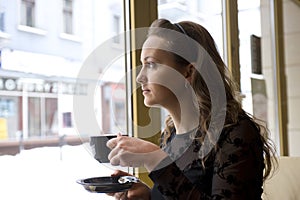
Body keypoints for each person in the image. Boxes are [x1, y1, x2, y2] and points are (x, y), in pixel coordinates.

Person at [106, 18, 277, 200]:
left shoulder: (235, 133)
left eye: (151, 64)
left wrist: (156, 160)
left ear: (188, 72)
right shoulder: (170, 135)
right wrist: (147, 196)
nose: (140, 77)